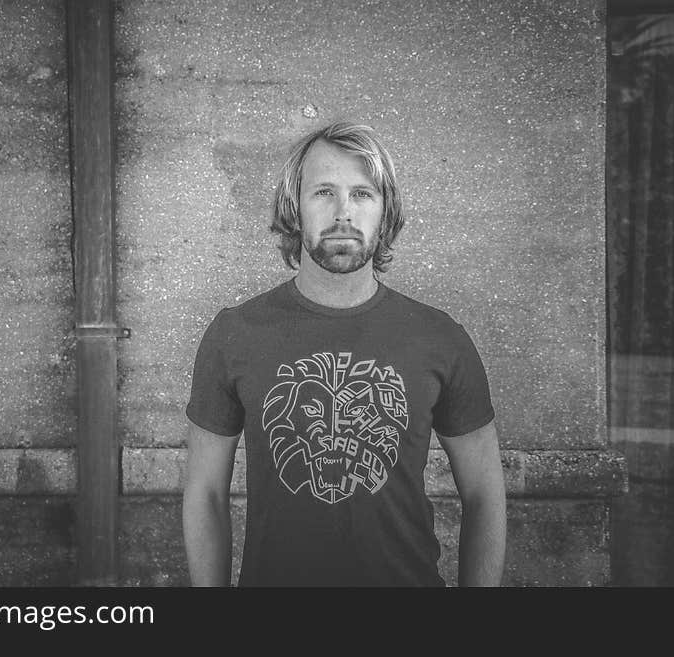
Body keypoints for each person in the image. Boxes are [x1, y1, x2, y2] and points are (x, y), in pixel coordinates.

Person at [182, 122, 506, 587]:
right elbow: (205, 494)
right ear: (293, 208)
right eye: (323, 193)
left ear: (385, 209)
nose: (342, 212)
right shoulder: (234, 334)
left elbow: (485, 494)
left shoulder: (441, 339)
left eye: (362, 194)